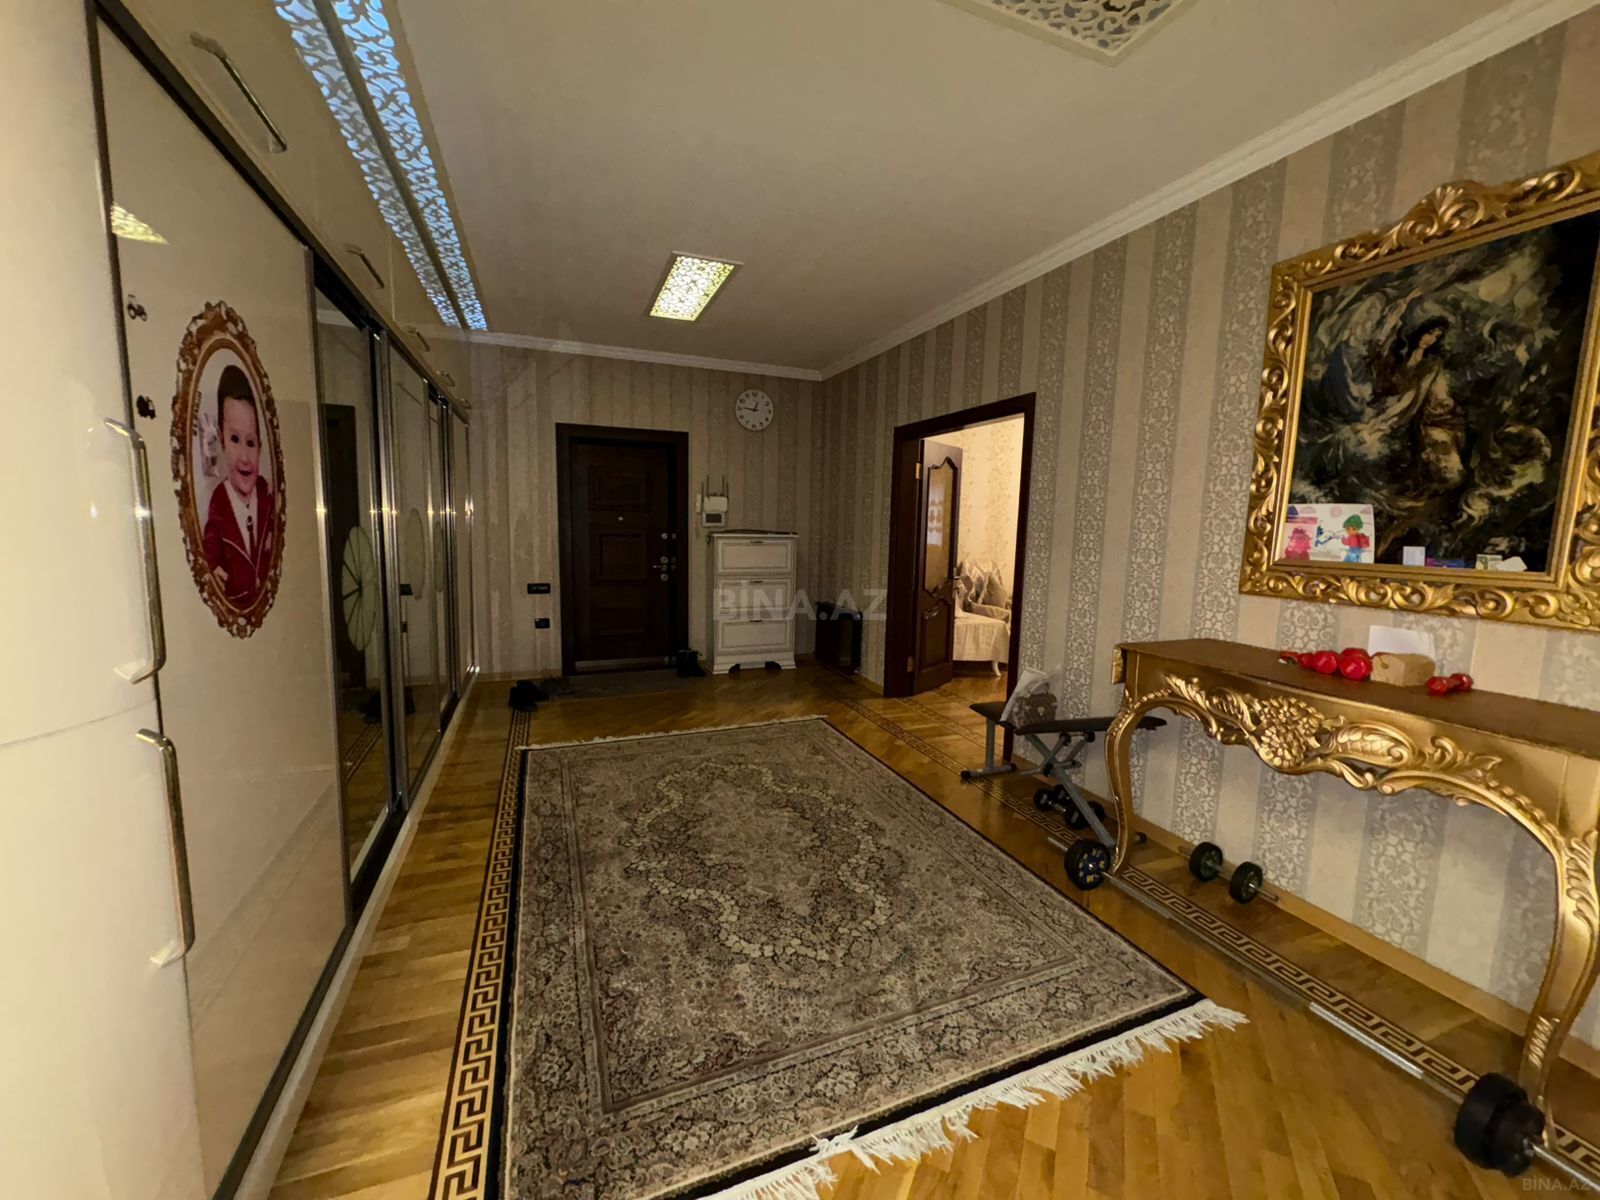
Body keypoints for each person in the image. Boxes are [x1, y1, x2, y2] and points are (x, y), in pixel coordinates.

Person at [201, 363, 276, 610]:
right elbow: (211, 545)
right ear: (222, 440)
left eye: (251, 442)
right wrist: (213, 568)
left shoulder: (265, 492)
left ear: (260, 447)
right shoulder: (220, 502)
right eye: (235, 440)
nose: (244, 456)